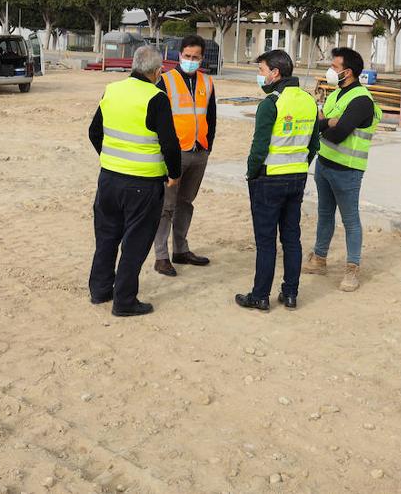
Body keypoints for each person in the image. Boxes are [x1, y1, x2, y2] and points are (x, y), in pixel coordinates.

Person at [87, 46, 181, 317]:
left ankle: (100, 290)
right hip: (143, 185)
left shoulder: (112, 90)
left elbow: (94, 132)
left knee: (106, 237)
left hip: (109, 180)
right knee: (135, 243)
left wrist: (111, 159)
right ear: (156, 72)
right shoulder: (157, 97)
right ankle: (124, 301)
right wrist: (174, 174)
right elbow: (171, 146)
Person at [235, 49, 320, 312]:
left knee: (266, 240)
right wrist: (299, 166)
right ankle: (290, 293)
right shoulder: (308, 101)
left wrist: (252, 173)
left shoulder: (270, 104)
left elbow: (258, 148)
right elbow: (314, 144)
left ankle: (260, 295)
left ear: (275, 73)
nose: (259, 76)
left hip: (268, 179)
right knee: (291, 237)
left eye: (261, 71)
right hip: (296, 178)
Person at [303, 47, 382, 292]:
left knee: (350, 220)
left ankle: (352, 269)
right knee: (325, 214)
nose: (330, 70)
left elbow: (337, 134)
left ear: (348, 72)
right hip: (325, 164)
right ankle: (319, 259)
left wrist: (322, 123)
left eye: (335, 67)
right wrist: (325, 123)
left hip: (347, 170)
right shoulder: (337, 94)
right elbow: (322, 124)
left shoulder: (361, 100)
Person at [152, 34, 215, 276]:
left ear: (201, 58)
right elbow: (157, 121)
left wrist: (208, 146)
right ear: (179, 55)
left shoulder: (207, 83)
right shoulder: (165, 81)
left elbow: (211, 117)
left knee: (185, 203)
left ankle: (181, 249)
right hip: (174, 153)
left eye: (195, 57)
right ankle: (161, 256)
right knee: (166, 206)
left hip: (199, 152)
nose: (190, 60)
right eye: (187, 56)